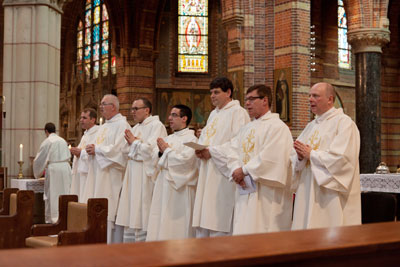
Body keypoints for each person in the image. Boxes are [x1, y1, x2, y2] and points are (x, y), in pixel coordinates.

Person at [210, 84, 294, 235]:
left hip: (266, 194)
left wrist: (244, 170)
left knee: (264, 232)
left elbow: (272, 157)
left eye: (251, 99)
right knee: (244, 229)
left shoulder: (277, 127)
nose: (247, 103)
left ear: (265, 100)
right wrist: (236, 169)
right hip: (245, 190)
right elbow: (232, 150)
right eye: (246, 100)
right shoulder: (247, 128)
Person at [291, 82, 361, 229]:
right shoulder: (311, 126)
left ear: (330, 99)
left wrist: (311, 154)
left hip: (329, 195)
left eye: (315, 96)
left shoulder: (344, 123)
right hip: (308, 189)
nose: (310, 99)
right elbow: (297, 158)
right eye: (309, 95)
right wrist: (299, 157)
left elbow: (343, 159)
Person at [193, 77, 250, 237]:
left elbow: (238, 142)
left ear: (228, 92)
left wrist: (212, 151)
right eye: (211, 92)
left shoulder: (238, 113)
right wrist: (200, 146)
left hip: (223, 173)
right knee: (206, 217)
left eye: (216, 92)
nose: (212, 96)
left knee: (219, 218)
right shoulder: (213, 114)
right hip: (207, 169)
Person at [115, 98, 167, 242]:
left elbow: (152, 152)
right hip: (132, 173)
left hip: (144, 174)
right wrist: (134, 143)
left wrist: (135, 142)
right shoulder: (136, 127)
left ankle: (143, 246)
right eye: (132, 109)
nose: (133, 112)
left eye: (136, 109)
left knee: (142, 211)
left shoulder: (157, 126)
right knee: (131, 211)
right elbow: (125, 150)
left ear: (147, 110)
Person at [146, 105, 198, 241]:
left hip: (178, 189)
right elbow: (154, 160)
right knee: (160, 220)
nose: (169, 118)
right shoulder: (168, 138)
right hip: (163, 187)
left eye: (174, 115)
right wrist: (160, 153)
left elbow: (187, 163)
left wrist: (167, 151)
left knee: (175, 226)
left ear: (184, 118)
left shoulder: (191, 140)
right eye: (170, 115)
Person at [84, 94, 131, 243]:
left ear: (114, 107)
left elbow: (120, 151)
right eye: (101, 104)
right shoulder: (103, 126)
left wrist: (97, 149)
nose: (101, 107)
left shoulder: (123, 125)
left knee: (108, 211)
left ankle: (109, 245)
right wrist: (91, 150)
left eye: (104, 104)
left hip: (111, 176)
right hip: (98, 173)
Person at [33, 122, 72, 223]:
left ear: (46, 131)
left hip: (54, 169)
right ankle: (65, 219)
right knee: (65, 192)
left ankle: (53, 220)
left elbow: (39, 159)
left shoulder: (48, 141)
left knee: (53, 195)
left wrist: (37, 173)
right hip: (66, 168)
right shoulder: (63, 140)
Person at [69, 108, 99, 203]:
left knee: (86, 198)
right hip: (81, 173)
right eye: (81, 117)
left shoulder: (97, 133)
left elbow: (95, 151)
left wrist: (80, 153)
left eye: (84, 118)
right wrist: (77, 152)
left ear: (93, 120)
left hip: (90, 173)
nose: (81, 120)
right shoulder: (86, 134)